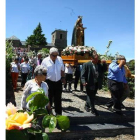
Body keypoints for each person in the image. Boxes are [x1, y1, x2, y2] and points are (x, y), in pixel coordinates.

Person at [41, 47, 65, 115]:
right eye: (53, 55)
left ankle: (58, 114)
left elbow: (62, 69)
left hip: (58, 82)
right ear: (50, 54)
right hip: (49, 82)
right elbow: (43, 72)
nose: (55, 57)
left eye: (56, 55)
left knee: (58, 99)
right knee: (49, 98)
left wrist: (63, 78)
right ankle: (48, 114)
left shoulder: (60, 59)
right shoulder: (45, 61)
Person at [81, 50, 99, 116]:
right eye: (96, 59)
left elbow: (103, 70)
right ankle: (93, 109)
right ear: (92, 58)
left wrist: (104, 64)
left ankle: (86, 106)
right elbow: (82, 74)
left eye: (98, 59)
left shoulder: (98, 64)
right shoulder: (86, 64)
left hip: (96, 83)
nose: (97, 60)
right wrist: (83, 81)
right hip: (89, 82)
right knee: (91, 96)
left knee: (92, 95)